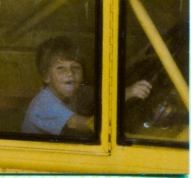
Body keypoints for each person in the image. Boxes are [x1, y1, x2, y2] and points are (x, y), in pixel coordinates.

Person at [22, 36, 152, 136]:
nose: (70, 73)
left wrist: (135, 60)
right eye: (60, 68)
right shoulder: (45, 104)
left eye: (76, 68)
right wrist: (128, 94)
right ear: (46, 77)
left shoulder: (78, 91)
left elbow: (105, 94)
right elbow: (89, 125)